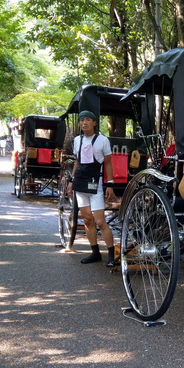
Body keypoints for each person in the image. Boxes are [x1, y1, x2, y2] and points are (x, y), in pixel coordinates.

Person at [67, 110, 115, 265]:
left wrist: (110, 184)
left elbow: (108, 163)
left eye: (87, 120)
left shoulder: (102, 140)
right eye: (81, 120)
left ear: (94, 123)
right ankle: (95, 252)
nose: (84, 123)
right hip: (80, 182)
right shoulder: (77, 140)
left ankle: (111, 253)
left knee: (100, 221)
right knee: (87, 219)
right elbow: (77, 162)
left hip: (96, 183)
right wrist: (71, 180)